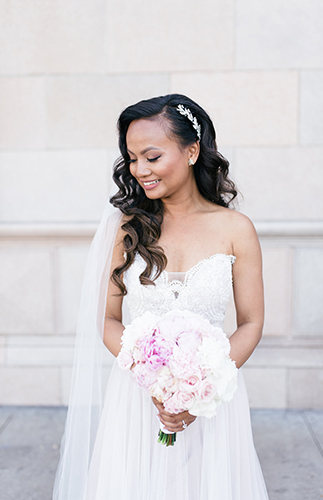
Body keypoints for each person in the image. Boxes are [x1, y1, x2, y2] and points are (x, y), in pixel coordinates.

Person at [53, 94, 269, 500]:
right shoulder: (127, 227)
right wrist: (156, 381)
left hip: (211, 400)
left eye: (152, 156)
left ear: (191, 151)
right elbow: (106, 317)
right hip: (138, 398)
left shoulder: (236, 228)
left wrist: (199, 387)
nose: (140, 171)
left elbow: (251, 322)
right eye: (133, 159)